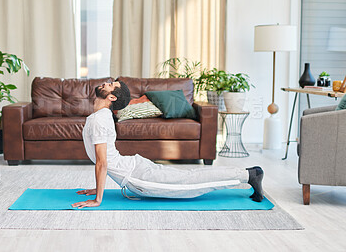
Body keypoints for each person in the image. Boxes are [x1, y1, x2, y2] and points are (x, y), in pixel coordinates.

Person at [71, 80, 264, 209]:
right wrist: (99, 187)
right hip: (135, 169)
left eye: (110, 84)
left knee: (190, 185)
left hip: (138, 176)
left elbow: (103, 163)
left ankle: (249, 175)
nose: (105, 83)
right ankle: (249, 173)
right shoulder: (99, 117)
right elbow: (107, 160)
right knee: (190, 177)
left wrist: (98, 200)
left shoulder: (98, 119)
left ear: (112, 97)